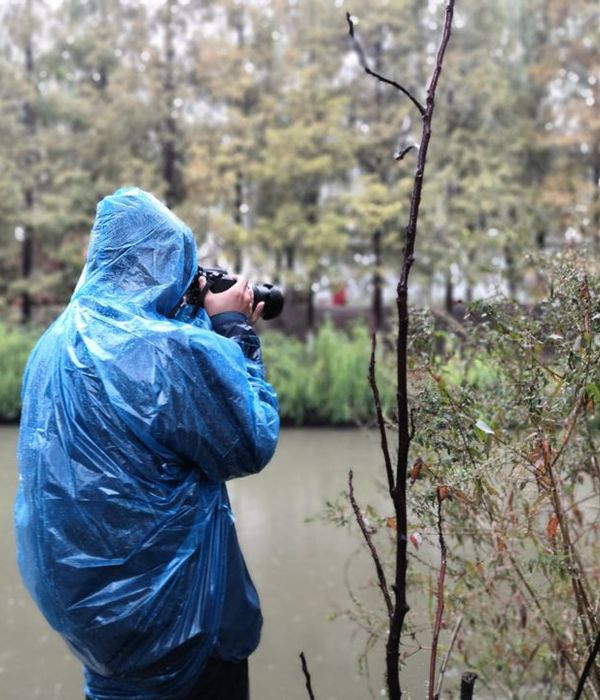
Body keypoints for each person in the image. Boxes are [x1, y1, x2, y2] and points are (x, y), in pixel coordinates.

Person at [14, 187, 280, 699]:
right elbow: (248, 441)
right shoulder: (167, 353)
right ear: (165, 265)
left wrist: (191, 321)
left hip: (101, 638)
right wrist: (231, 328)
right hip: (183, 628)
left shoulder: (53, 344)